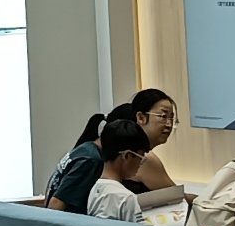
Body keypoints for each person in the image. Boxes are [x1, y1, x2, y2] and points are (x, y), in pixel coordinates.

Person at [41, 86, 180, 211]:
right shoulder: (92, 160)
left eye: (172, 118)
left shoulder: (87, 150)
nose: (168, 124)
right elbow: (55, 205)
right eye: (163, 116)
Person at [84, 117, 157, 222]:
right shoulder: (126, 198)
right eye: (140, 157)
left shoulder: (95, 190)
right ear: (127, 156)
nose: (140, 163)